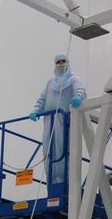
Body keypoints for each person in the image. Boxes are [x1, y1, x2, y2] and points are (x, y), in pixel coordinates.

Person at [29, 53, 86, 184]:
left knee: (62, 148)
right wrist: (35, 110)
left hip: (63, 120)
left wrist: (78, 97)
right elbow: (42, 99)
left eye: (63, 61)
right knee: (48, 151)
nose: (61, 64)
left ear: (68, 62)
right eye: (58, 62)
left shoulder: (73, 79)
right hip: (48, 120)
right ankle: (51, 181)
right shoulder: (50, 81)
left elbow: (80, 90)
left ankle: (63, 181)